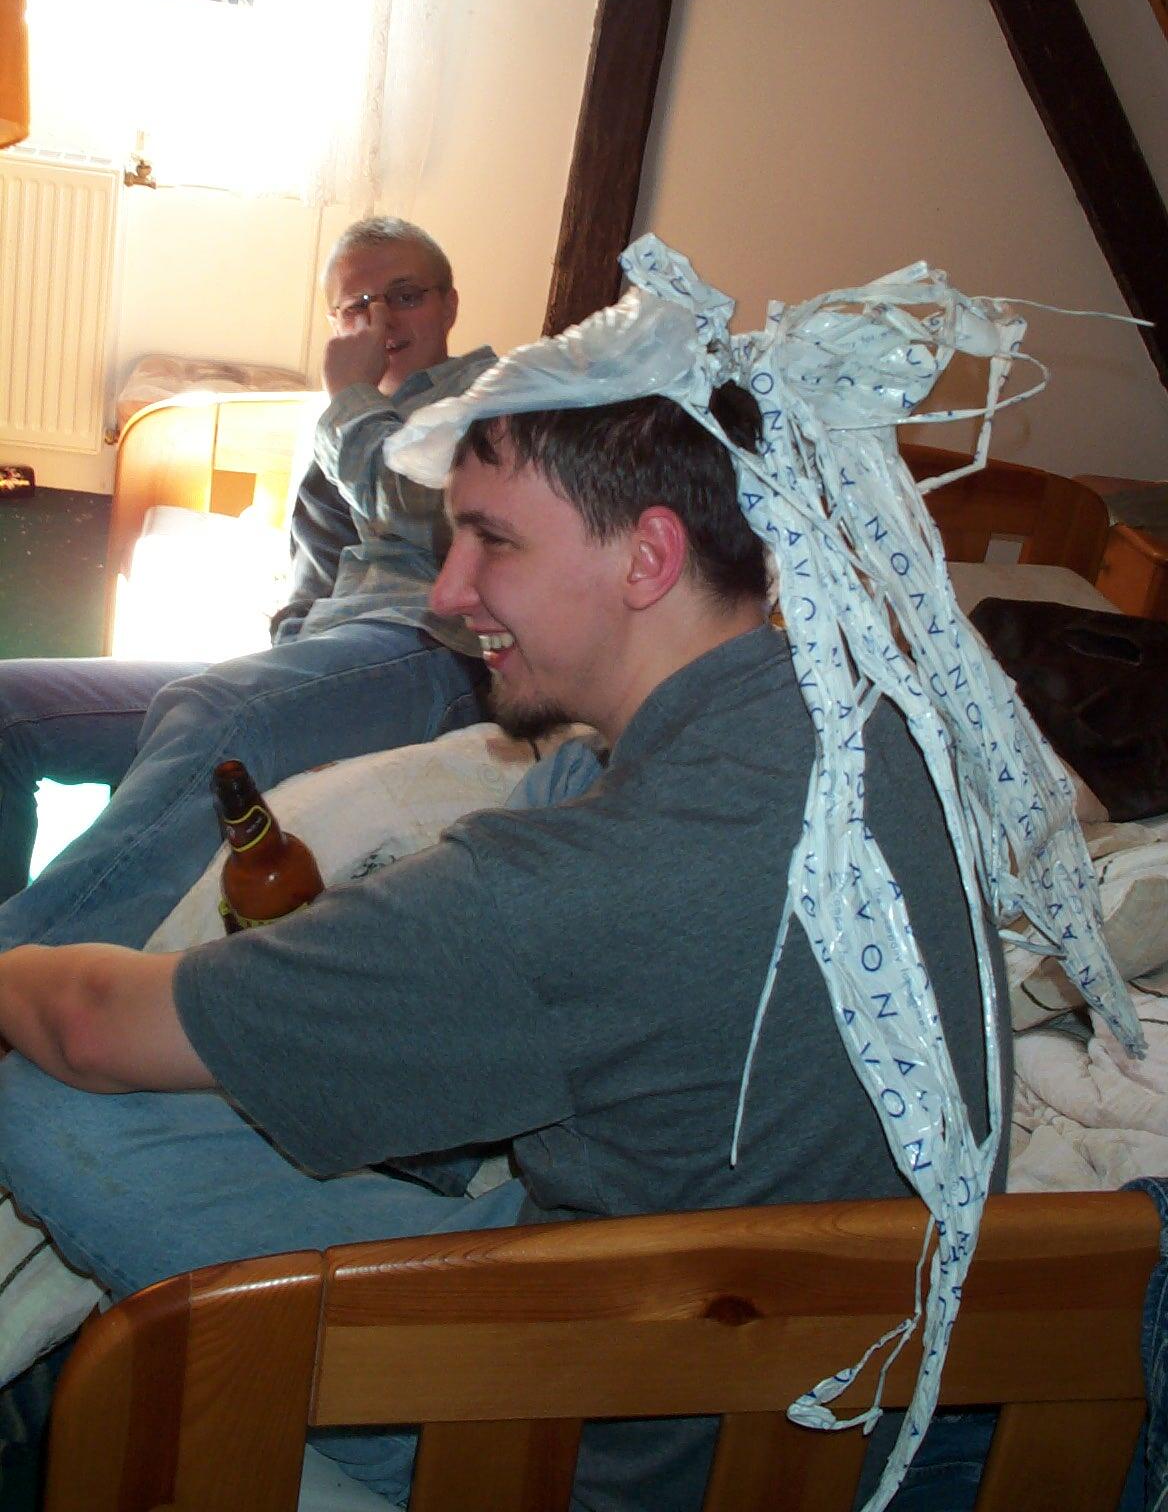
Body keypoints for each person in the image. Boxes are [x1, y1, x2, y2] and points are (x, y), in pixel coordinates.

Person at [0, 239, 1134, 1508]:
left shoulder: (564, 886)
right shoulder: (873, 717)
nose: (447, 591)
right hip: (794, 1329)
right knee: (562, 784)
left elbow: (89, 1022)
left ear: (648, 556)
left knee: (40, 1095)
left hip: (590, 1414)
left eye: (491, 542)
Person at [0, 216, 496, 950]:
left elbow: (435, 519)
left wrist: (350, 401)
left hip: (431, 647)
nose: (382, 322)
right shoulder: (341, 425)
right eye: (357, 307)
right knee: (10, 706)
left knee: (218, 711)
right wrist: (286, 680)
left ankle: (23, 968)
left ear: (450, 304)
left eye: (406, 296)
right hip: (341, 655)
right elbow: (310, 590)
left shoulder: (497, 401)